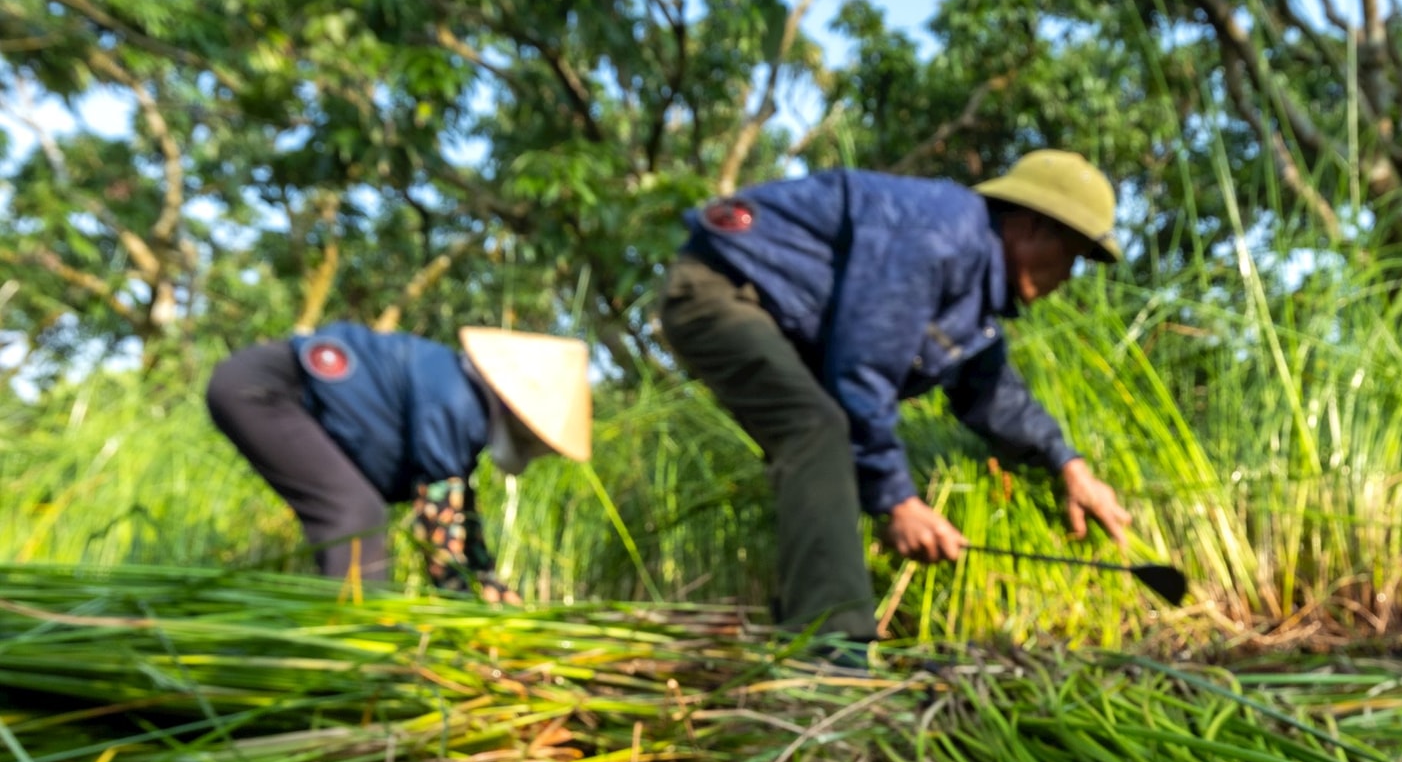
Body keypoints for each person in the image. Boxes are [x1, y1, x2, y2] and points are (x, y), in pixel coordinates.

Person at [659, 149, 1134, 642]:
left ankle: (803, 632)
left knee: (821, 431)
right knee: (816, 429)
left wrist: (1069, 466)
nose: (1069, 276)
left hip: (769, 311)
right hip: (721, 286)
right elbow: (863, 364)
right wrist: (898, 502)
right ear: (1035, 227)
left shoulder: (973, 293)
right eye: (1072, 256)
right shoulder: (942, 232)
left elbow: (993, 394)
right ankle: (831, 657)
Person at [205, 323, 592, 602]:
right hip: (263, 390)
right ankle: (353, 665)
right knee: (356, 514)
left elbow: (461, 519)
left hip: (260, 386)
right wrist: (466, 616)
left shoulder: (459, 400)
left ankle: (342, 646)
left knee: (357, 509)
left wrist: (491, 586)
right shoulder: (458, 402)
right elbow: (437, 533)